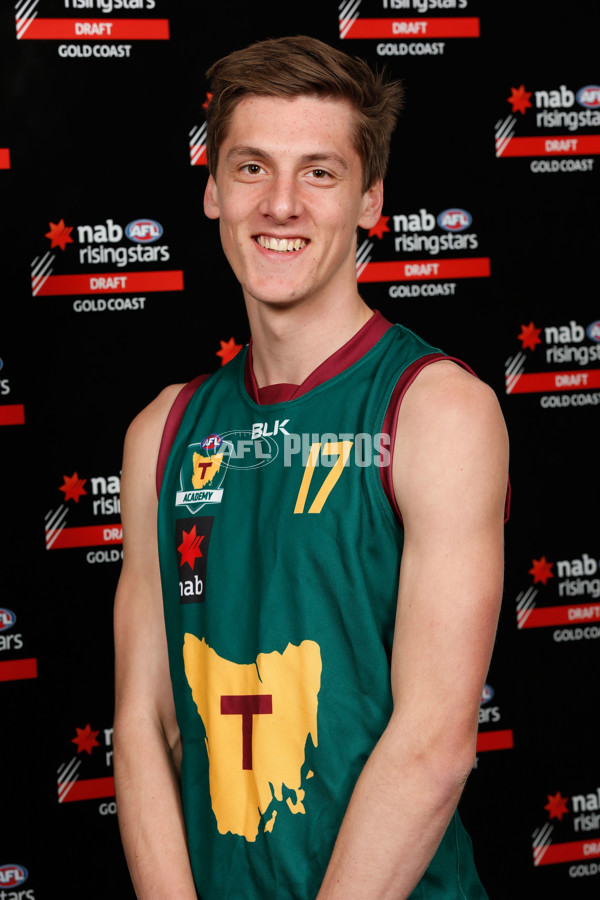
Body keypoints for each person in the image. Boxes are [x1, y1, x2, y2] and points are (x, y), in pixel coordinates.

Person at [113, 35, 509, 900]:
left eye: (320, 173)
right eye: (252, 168)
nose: (281, 204)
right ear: (212, 189)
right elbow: (144, 724)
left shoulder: (438, 410)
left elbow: (435, 744)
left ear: (371, 200)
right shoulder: (163, 430)